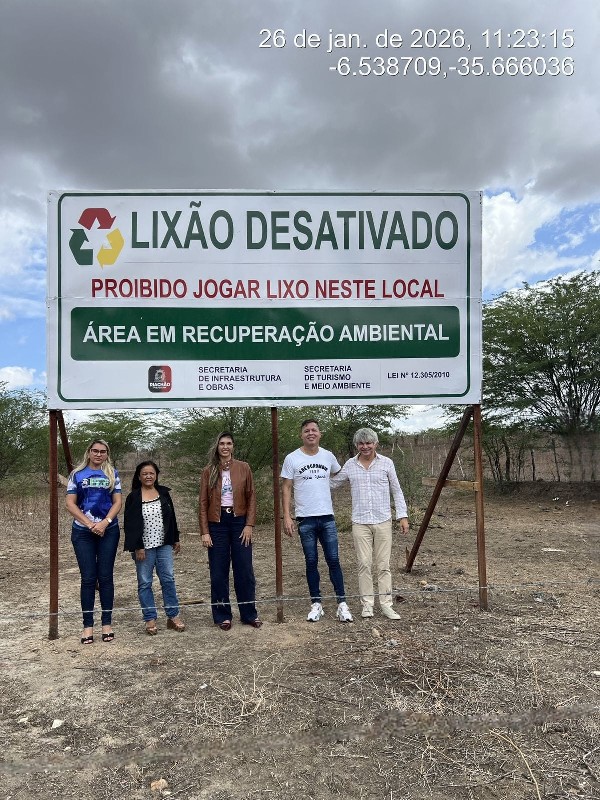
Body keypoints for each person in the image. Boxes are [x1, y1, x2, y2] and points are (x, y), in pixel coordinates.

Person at [331, 428, 409, 620]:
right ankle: (367, 605)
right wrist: (311, 476)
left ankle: (386, 605)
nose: (365, 447)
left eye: (368, 443)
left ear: (375, 444)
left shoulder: (386, 463)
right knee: (364, 564)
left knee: (383, 565)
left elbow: (396, 490)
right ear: (356, 445)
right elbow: (333, 483)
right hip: (360, 522)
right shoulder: (350, 465)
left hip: (383, 520)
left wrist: (402, 516)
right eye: (361, 443)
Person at [281, 419, 353, 623]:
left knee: (333, 560)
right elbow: (286, 487)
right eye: (306, 431)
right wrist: (287, 516)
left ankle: (342, 604)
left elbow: (339, 475)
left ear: (320, 434)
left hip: (327, 517)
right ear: (301, 435)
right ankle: (316, 604)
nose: (310, 433)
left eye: (314, 430)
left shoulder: (328, 456)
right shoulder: (292, 458)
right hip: (305, 519)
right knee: (311, 561)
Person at [199, 431, 262, 630]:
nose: (225, 447)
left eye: (229, 443)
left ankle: (249, 613)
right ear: (217, 447)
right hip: (217, 524)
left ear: (233, 446)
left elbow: (251, 497)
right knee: (218, 572)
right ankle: (222, 615)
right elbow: (203, 503)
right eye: (222, 443)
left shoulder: (244, 468)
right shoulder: (209, 471)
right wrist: (205, 531)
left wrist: (249, 525)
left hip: (239, 522)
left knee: (244, 570)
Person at [66, 439, 122, 644]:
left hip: (108, 530)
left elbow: (117, 502)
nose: (99, 454)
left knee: (105, 577)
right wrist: (90, 524)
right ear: (89, 452)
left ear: (107, 454)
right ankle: (87, 626)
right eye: (95, 451)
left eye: (103, 451)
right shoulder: (76, 474)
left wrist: (105, 523)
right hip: (83, 531)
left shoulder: (112, 473)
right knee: (88, 578)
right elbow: (70, 504)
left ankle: (107, 624)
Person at [123, 461, 186, 635]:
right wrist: (137, 546)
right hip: (144, 547)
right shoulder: (133, 497)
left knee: (168, 579)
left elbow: (171, 518)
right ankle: (150, 618)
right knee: (145, 582)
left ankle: (173, 616)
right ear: (139, 477)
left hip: (164, 544)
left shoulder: (164, 493)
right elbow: (130, 525)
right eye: (145, 474)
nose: (148, 476)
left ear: (156, 475)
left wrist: (175, 538)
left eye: (151, 473)